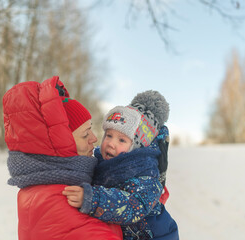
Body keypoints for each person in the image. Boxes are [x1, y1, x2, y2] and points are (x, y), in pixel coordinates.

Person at [4, 76, 122, 240]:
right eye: (84, 134)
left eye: (91, 130)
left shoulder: (55, 184)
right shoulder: (57, 199)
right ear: (59, 146)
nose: (94, 138)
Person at [63, 90, 179, 239]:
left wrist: (93, 199)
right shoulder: (100, 162)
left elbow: (133, 205)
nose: (111, 143)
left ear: (137, 146)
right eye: (109, 135)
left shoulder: (145, 173)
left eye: (121, 140)